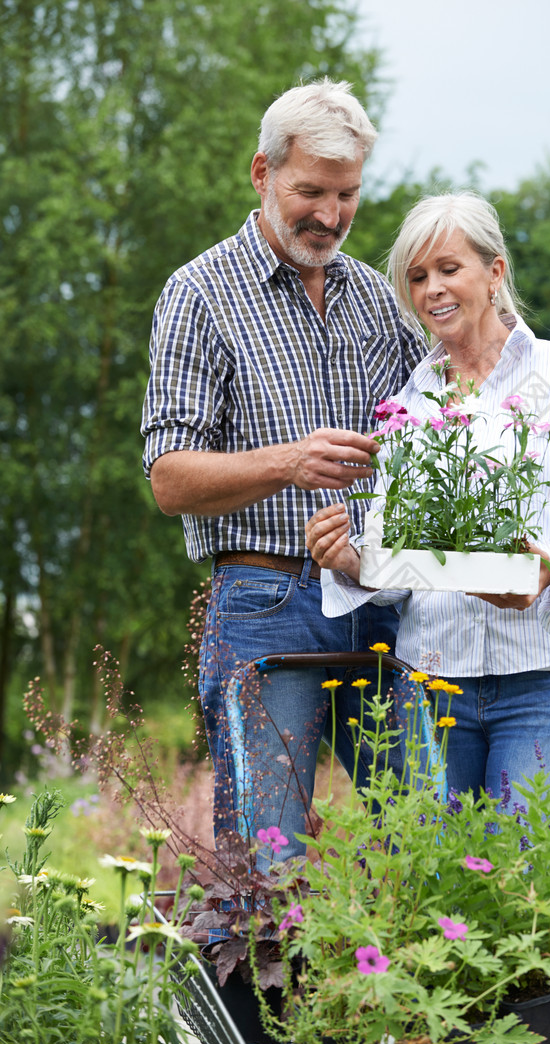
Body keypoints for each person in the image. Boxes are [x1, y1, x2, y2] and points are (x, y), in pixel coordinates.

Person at [140, 80, 428, 862]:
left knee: (426, 846)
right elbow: (169, 476)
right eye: (310, 191)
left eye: (347, 194)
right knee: (272, 862)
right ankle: (264, 988)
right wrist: (289, 463)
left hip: (383, 599)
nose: (329, 216)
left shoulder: (377, 298)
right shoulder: (201, 293)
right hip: (268, 600)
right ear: (261, 173)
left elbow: (455, 422)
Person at [306, 191, 550, 814]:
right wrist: (352, 562)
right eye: (417, 277)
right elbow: (404, 562)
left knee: (519, 874)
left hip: (545, 676)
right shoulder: (409, 406)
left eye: (448, 269)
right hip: (433, 682)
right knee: (436, 886)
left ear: (494, 273)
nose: (432, 289)